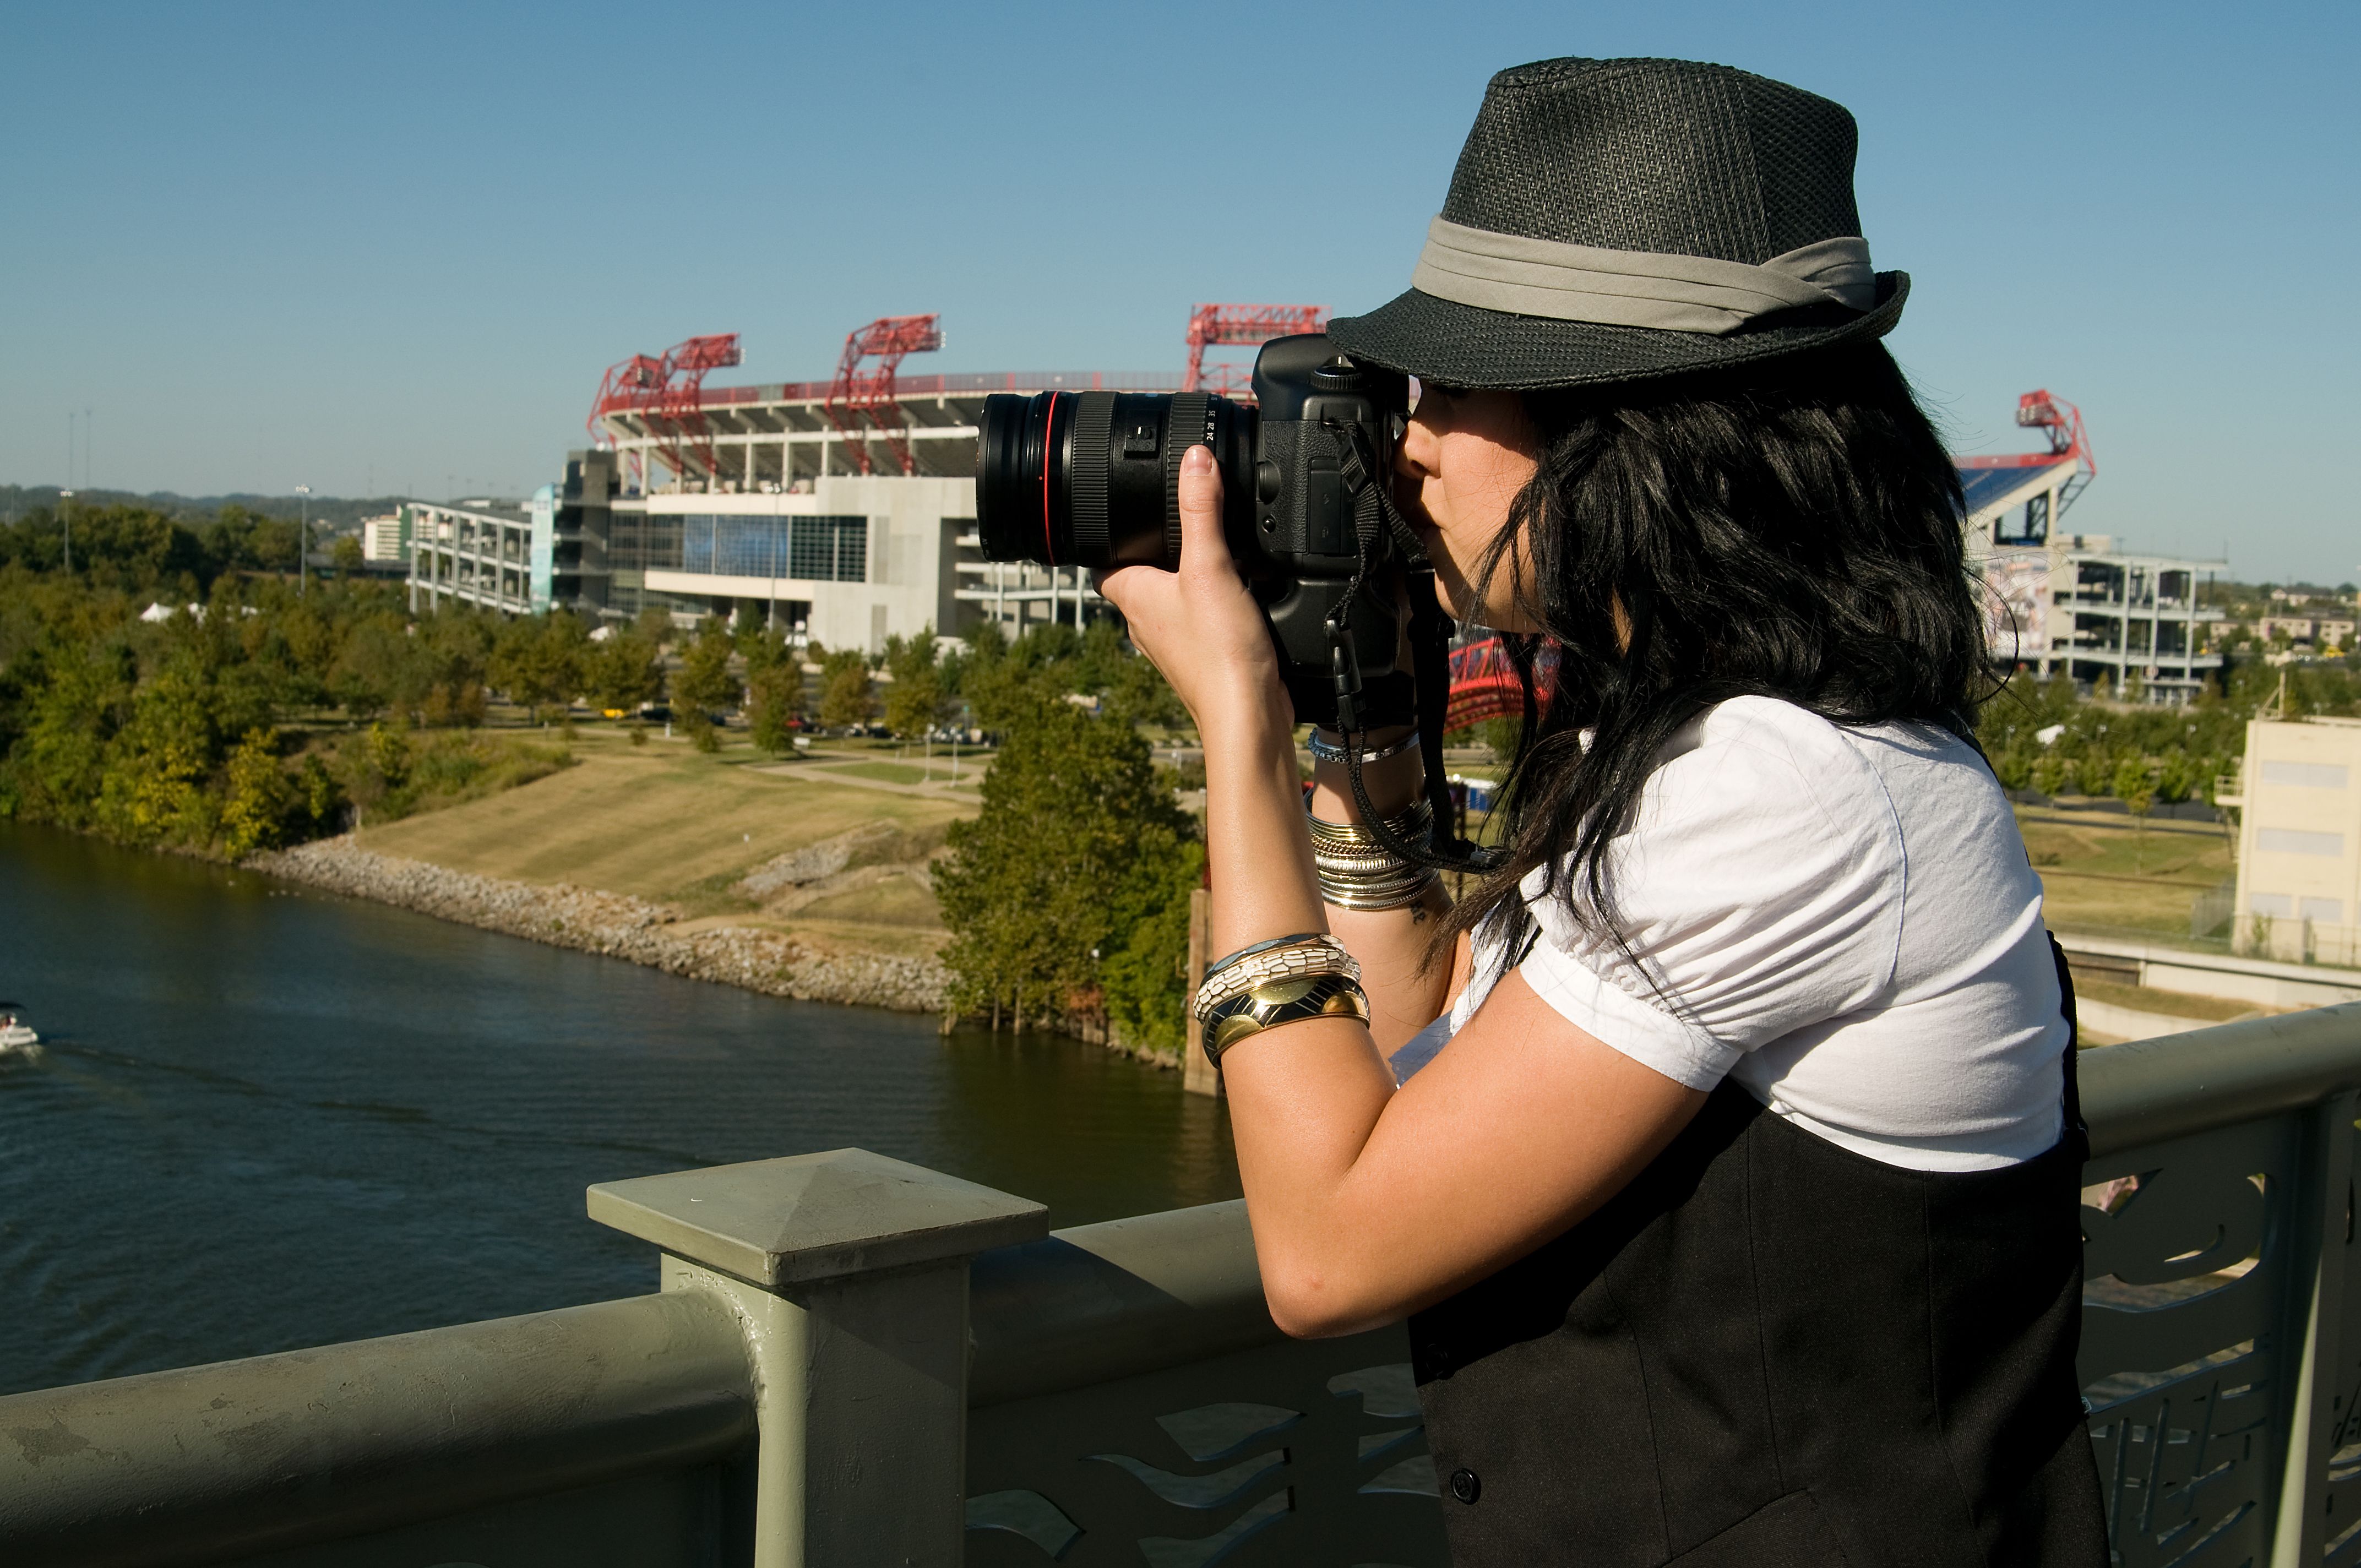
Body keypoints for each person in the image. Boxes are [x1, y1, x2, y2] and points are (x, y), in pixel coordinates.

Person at [1098, 56, 2108, 1568]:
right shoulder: (1700, 725)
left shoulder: (1791, 789)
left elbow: (1328, 1246)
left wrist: (1241, 733)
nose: (1409, 441)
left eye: (1455, 385)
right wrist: (1366, 737)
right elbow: (1408, 1054)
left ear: (1633, 434)